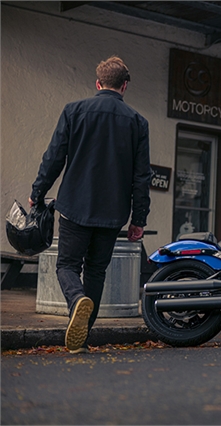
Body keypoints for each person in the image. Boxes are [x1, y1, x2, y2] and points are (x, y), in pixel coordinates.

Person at [29, 56, 152, 353]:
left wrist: (38, 191)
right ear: (124, 86)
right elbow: (142, 176)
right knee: (96, 271)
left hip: (74, 205)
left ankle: (76, 300)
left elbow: (54, 157)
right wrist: (139, 218)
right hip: (112, 212)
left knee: (67, 265)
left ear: (98, 84)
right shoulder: (138, 122)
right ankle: (81, 337)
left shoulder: (74, 111)